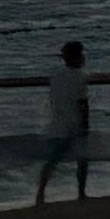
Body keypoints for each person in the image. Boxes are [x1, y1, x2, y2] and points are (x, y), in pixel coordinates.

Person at [33, 38, 90, 206]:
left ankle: (40, 193)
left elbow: (53, 100)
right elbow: (82, 104)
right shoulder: (80, 77)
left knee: (52, 161)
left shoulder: (56, 76)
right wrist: (85, 125)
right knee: (82, 160)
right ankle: (81, 193)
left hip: (58, 123)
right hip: (73, 124)